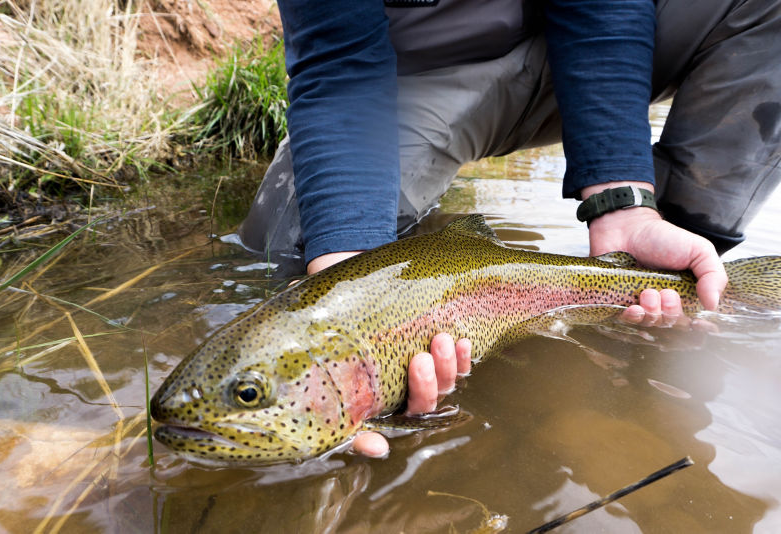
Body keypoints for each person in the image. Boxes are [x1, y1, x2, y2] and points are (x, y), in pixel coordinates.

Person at [239, 0, 781, 457]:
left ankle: (677, 271)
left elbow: (602, 6)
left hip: (592, 45)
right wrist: (348, 269)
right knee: (286, 245)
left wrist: (626, 205)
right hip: (414, 79)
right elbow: (339, 60)